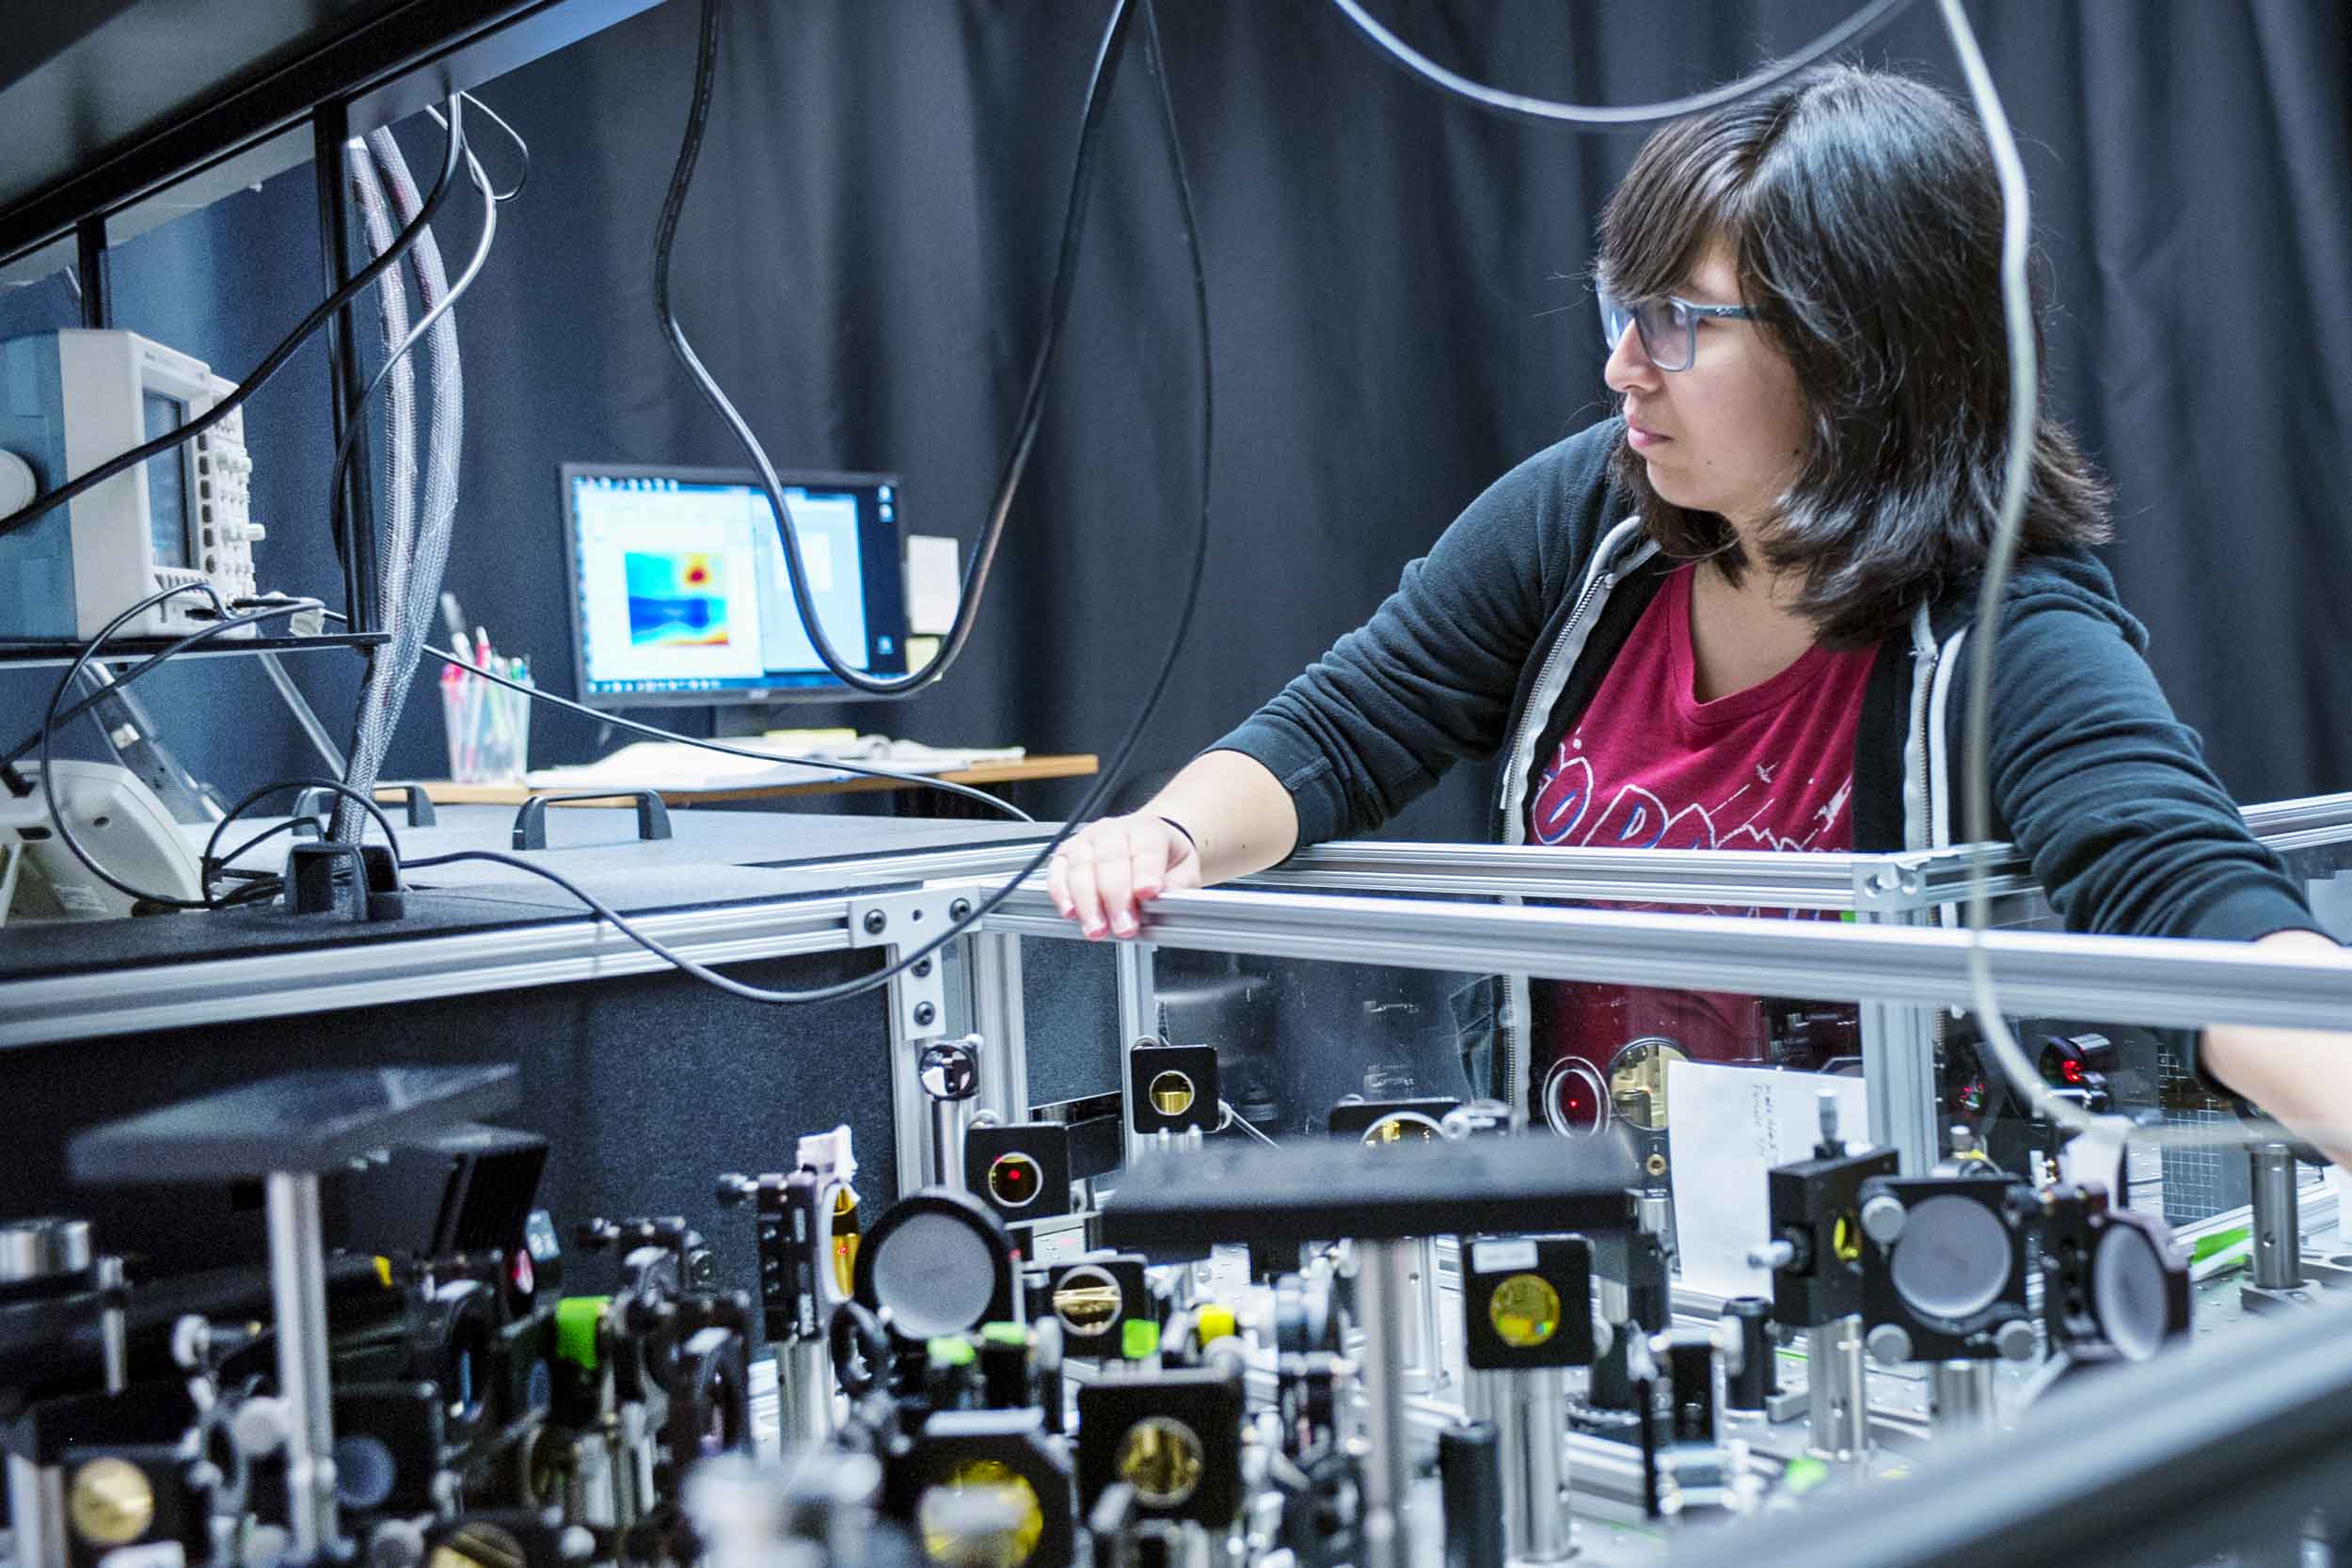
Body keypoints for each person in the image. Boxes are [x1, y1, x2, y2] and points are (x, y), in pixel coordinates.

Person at [1045, 64, 2351, 1161]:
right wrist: (1167, 834)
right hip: (1585, 1247)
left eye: (1674, 322)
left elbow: (2196, 913)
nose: (1620, 364)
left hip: (1871, 1305)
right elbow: (1342, 731)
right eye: (1626, 309)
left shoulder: (2006, 628)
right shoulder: (1583, 519)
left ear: (1853, 349)